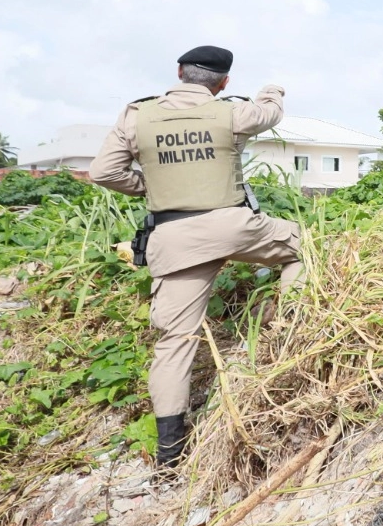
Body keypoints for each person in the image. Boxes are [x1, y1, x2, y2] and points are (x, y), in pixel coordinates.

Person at [89, 46, 304, 471]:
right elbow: (269, 113)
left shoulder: (137, 116)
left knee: (175, 344)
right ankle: (292, 329)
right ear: (223, 83)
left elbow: (103, 172)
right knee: (304, 245)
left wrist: (153, 187)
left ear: (179, 73)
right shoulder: (231, 113)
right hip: (235, 226)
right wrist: (273, 90)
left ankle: (170, 453)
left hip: (176, 238)